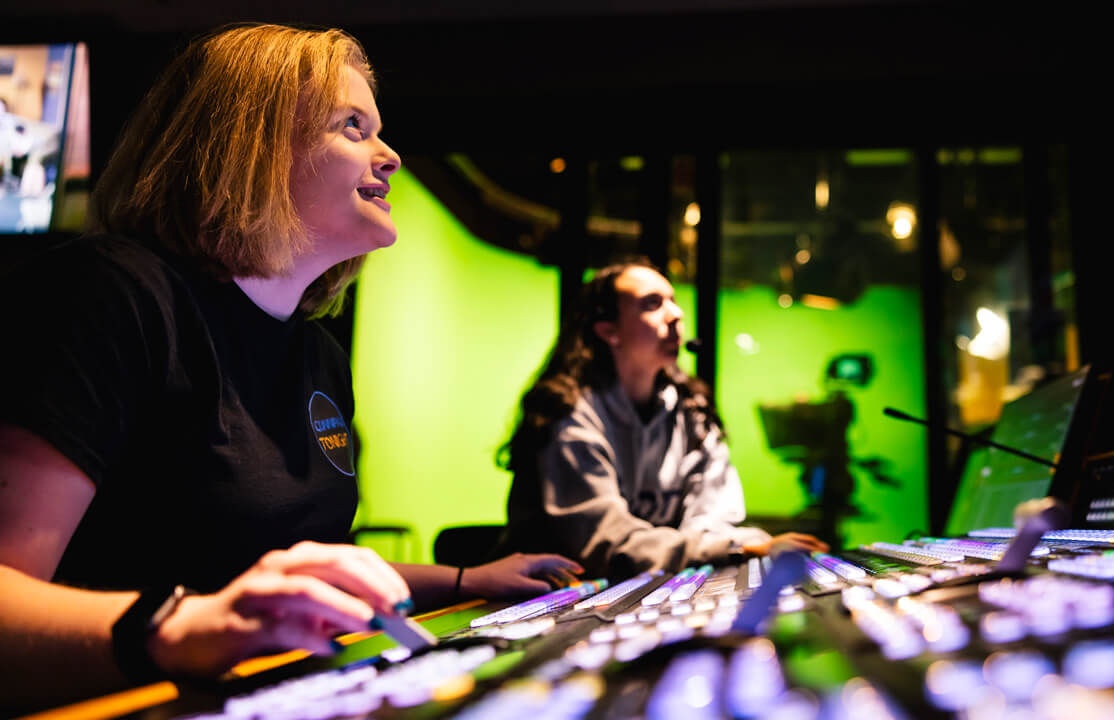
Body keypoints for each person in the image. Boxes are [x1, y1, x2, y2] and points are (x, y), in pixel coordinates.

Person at [0, 24, 579, 712]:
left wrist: (463, 580)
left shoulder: (320, 357)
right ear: (250, 146)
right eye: (353, 126)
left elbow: (276, 570)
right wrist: (180, 627)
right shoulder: (111, 294)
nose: (389, 155)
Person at [500, 259, 828, 579]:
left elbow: (711, 524)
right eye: (652, 304)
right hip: (554, 600)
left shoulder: (692, 411)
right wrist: (733, 547)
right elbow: (607, 543)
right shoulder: (570, 416)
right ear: (608, 331)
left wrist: (723, 546)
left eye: (673, 301)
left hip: (654, 583)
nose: (676, 314)